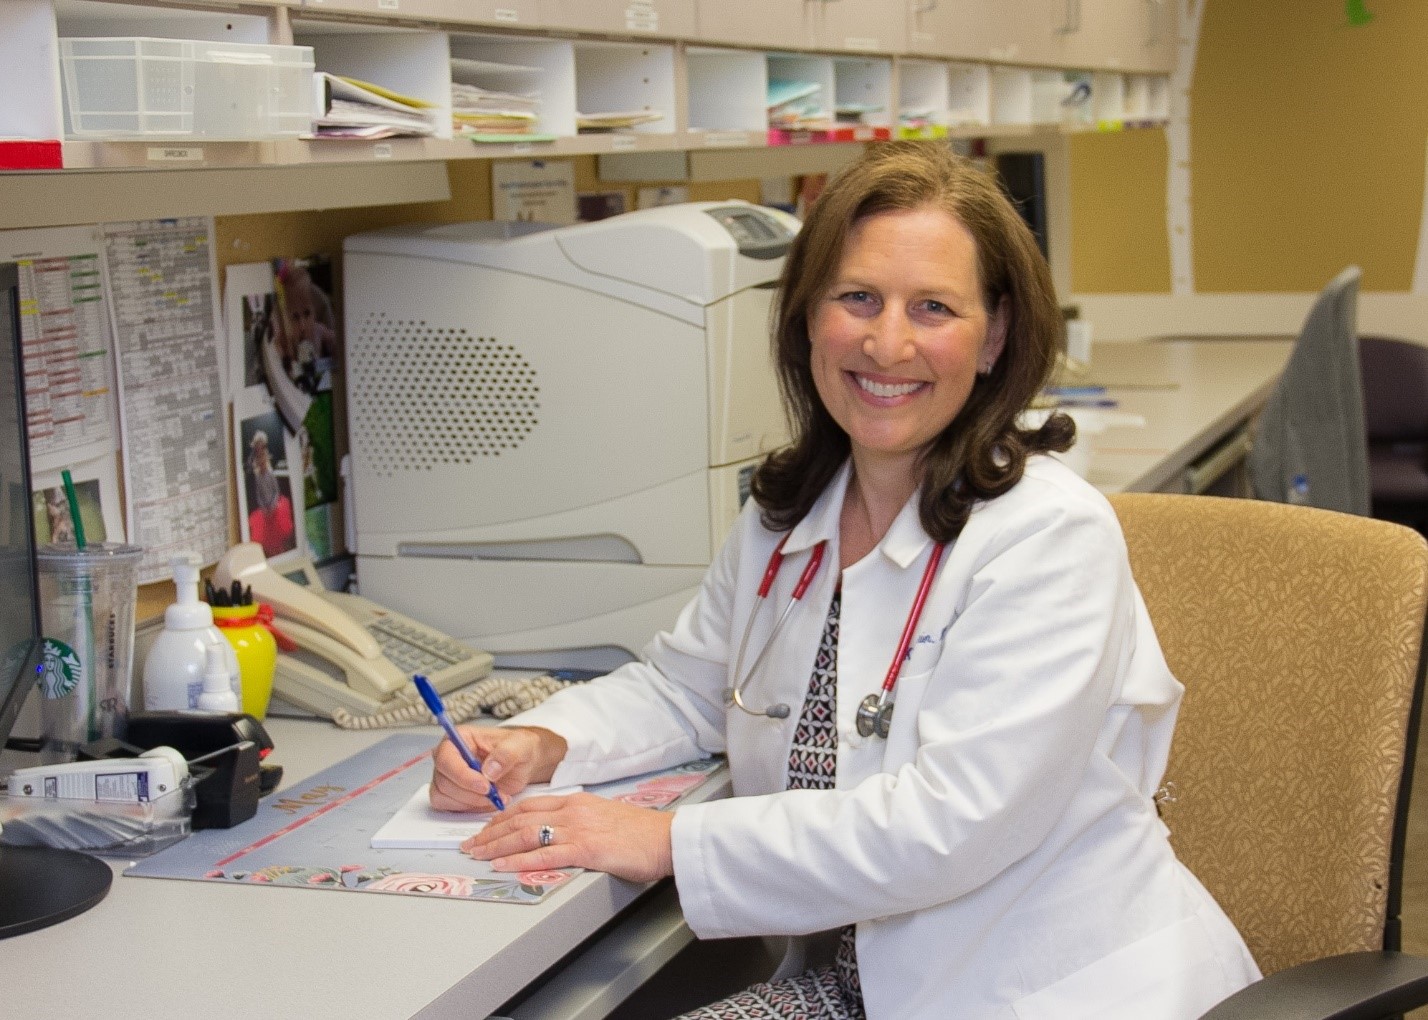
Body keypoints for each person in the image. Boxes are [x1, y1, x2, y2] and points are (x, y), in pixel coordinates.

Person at [430, 141, 1260, 1018]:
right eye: (857, 297)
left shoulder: (1048, 536)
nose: (886, 341)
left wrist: (667, 839)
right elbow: (688, 691)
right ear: (807, 316)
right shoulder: (790, 514)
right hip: (862, 983)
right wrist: (540, 741)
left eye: (933, 308)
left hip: (1030, 988)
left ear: (997, 338)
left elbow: (944, 828)